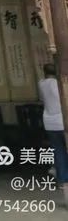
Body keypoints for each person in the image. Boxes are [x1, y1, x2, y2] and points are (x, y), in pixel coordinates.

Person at [38, 63, 68, 205]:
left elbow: (42, 99)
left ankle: (62, 180)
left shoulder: (41, 84)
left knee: (59, 151)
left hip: (49, 122)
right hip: (63, 121)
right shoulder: (59, 84)